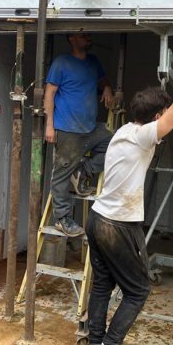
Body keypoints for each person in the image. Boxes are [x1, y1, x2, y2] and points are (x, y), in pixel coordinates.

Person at [85, 46, 173, 345]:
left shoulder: (124, 130)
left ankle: (95, 344)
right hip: (118, 226)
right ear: (157, 117)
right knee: (138, 291)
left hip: (97, 218)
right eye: (163, 115)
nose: (168, 118)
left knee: (103, 284)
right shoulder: (143, 137)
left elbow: (172, 109)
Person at [44, 33, 114, 238]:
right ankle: (62, 219)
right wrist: (50, 126)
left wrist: (107, 87)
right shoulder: (61, 63)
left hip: (91, 128)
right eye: (83, 36)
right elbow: (49, 94)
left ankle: (83, 171)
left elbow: (102, 80)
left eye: (90, 35)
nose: (89, 38)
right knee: (60, 175)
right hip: (67, 129)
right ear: (72, 39)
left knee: (116, 145)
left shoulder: (93, 62)